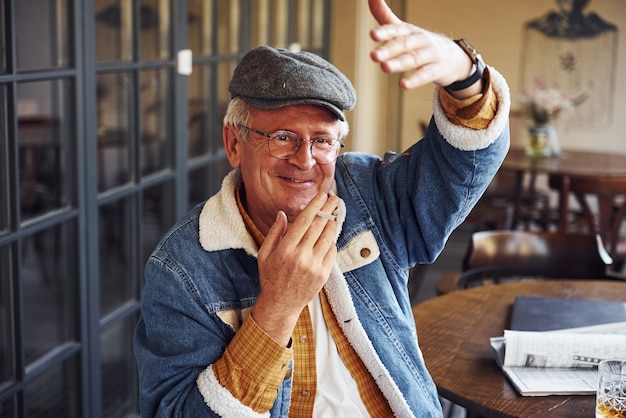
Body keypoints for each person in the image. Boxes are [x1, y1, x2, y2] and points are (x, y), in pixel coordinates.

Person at [134, 0, 510, 416]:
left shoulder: (366, 194)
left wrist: (464, 73)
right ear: (234, 144)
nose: (305, 159)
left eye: (323, 140)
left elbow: (462, 165)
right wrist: (276, 308)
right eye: (281, 136)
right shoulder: (182, 266)